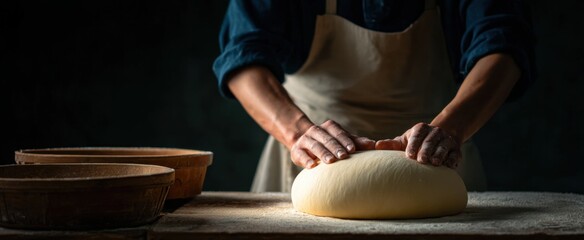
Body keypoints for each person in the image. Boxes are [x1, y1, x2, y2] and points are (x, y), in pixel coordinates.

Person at [213, 0, 535, 192]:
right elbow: (243, 56)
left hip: (439, 151)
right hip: (312, 156)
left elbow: (503, 44)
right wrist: (297, 132)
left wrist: (451, 129)